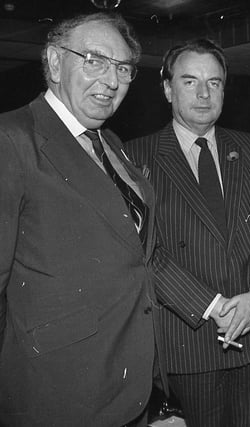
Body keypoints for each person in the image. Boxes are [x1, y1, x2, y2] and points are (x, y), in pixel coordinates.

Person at [0, 12, 156, 427]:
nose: (111, 80)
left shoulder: (111, 144)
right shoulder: (11, 140)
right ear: (54, 62)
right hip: (57, 395)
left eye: (123, 68)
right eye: (94, 60)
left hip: (126, 387)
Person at [126, 38, 250, 427]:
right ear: (167, 89)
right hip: (189, 337)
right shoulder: (136, 156)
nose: (203, 93)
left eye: (214, 83)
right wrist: (214, 307)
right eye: (189, 81)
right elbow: (145, 253)